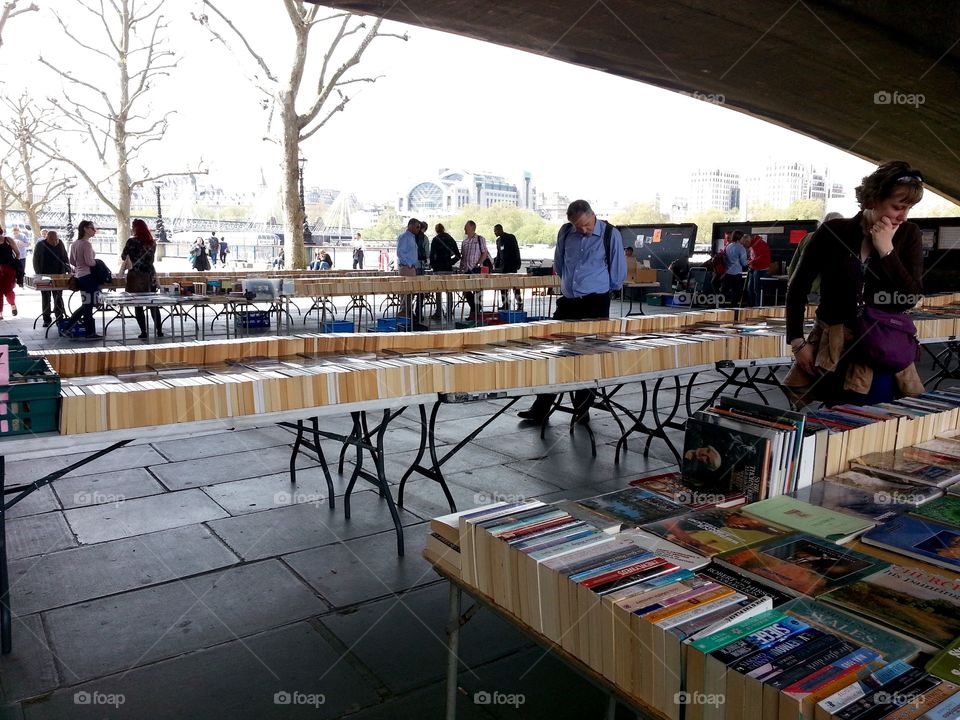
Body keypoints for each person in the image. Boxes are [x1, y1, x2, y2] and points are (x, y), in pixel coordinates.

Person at [785, 160, 926, 407]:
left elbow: (910, 296)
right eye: (896, 207)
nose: (903, 217)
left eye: (908, 208)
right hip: (832, 346)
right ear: (873, 199)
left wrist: (887, 251)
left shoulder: (909, 234)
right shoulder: (833, 232)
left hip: (880, 347)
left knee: (872, 421)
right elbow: (797, 287)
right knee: (834, 422)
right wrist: (797, 341)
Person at [518, 200, 626, 423]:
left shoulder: (610, 234)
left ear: (593, 215)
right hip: (568, 302)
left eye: (586, 225)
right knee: (555, 354)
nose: (583, 230)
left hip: (595, 303)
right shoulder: (566, 232)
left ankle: (582, 409)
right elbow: (559, 262)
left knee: (588, 357)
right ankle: (542, 407)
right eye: (579, 226)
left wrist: (599, 288)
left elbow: (617, 274)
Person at [121, 219, 164, 339]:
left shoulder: (131, 241)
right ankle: (159, 330)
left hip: (135, 276)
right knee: (152, 304)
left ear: (135, 228)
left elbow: (123, 256)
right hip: (149, 275)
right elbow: (151, 260)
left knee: (138, 305)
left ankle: (144, 331)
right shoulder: (152, 243)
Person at [787, 212, 843, 298]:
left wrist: (792, 283)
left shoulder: (807, 237)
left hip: (798, 287)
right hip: (816, 292)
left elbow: (792, 266)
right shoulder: (832, 240)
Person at [62, 220, 102, 339]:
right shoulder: (86, 244)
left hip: (79, 276)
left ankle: (70, 327)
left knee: (86, 304)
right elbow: (89, 262)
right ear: (85, 229)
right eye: (92, 228)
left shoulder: (74, 244)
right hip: (88, 277)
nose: (94, 230)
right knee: (88, 305)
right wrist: (98, 262)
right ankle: (88, 332)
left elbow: (72, 262)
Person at [32, 229, 70, 327]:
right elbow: (36, 260)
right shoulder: (40, 245)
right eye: (52, 239)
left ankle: (59, 317)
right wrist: (38, 274)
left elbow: (65, 257)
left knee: (58, 296)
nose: (54, 242)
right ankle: (46, 319)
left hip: (59, 274)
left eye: (56, 239)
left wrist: (68, 269)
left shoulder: (60, 243)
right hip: (44, 275)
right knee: (46, 297)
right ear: (47, 238)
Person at [429, 223, 461, 320]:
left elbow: (432, 255)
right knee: (449, 291)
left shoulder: (435, 240)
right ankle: (449, 311)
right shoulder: (450, 239)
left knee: (438, 291)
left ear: (436, 230)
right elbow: (458, 255)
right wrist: (450, 262)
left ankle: (438, 312)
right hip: (448, 268)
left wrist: (434, 265)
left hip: (438, 269)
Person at [459, 220, 489, 319]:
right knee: (465, 290)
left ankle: (475, 313)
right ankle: (475, 308)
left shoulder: (480, 239)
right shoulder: (464, 242)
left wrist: (479, 263)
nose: (464, 229)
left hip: (476, 269)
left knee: (477, 291)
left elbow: (484, 252)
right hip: (467, 270)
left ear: (472, 227)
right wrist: (461, 267)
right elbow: (463, 256)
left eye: (466, 227)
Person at [493, 223, 522, 310]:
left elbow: (516, 250)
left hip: (512, 266)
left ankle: (519, 303)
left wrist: (518, 263)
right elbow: (499, 254)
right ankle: (505, 304)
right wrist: (496, 266)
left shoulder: (510, 237)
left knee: (515, 286)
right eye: (494, 231)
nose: (495, 233)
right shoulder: (498, 241)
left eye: (496, 230)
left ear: (501, 229)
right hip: (502, 268)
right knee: (503, 287)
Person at [396, 218, 420, 319]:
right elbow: (400, 252)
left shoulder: (412, 237)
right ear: (411, 225)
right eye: (417, 227)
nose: (419, 229)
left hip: (412, 268)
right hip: (406, 267)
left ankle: (408, 311)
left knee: (411, 292)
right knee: (406, 292)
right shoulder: (404, 237)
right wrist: (409, 263)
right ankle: (403, 312)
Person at [721, 230, 748, 307]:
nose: (744, 239)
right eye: (743, 237)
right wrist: (748, 263)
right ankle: (733, 309)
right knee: (735, 293)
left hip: (727, 273)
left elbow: (725, 260)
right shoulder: (741, 248)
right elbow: (744, 263)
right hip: (737, 274)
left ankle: (722, 308)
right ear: (740, 238)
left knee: (725, 292)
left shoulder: (728, 246)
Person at [0, 227, 22, 319]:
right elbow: (17, 253)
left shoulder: (8, 239)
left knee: (7, 290)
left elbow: (17, 253)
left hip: (8, 269)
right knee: (7, 290)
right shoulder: (8, 240)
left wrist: (14, 264)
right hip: (9, 267)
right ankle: (3, 311)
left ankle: (11, 305)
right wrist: (14, 263)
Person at [744, 233, 771, 306]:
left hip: (760, 269)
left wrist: (751, 261)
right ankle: (751, 305)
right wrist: (750, 259)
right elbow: (754, 255)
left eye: (745, 244)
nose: (745, 246)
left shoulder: (760, 244)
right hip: (754, 268)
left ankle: (757, 306)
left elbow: (763, 257)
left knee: (757, 289)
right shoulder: (752, 245)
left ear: (747, 241)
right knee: (750, 288)